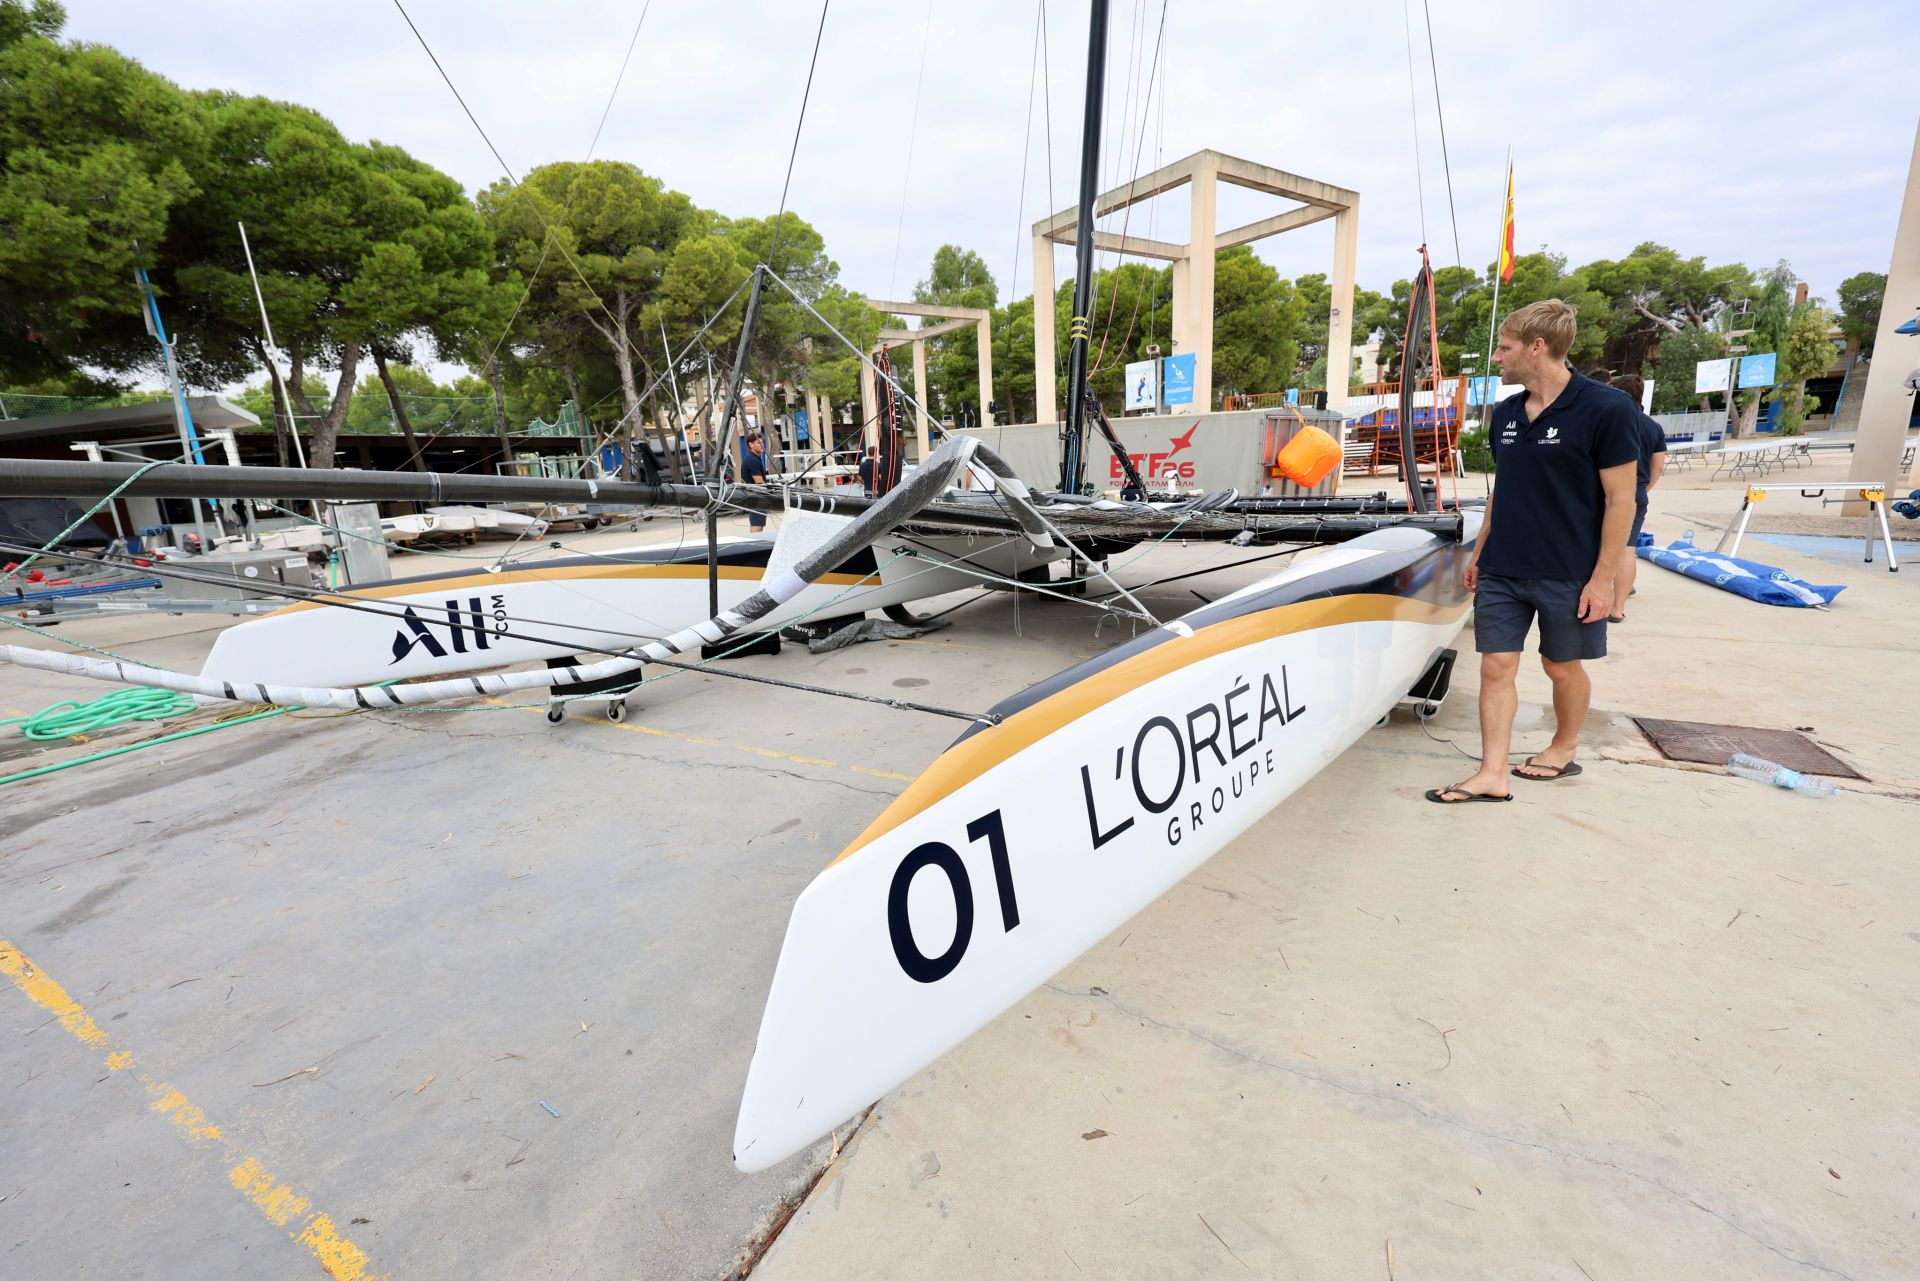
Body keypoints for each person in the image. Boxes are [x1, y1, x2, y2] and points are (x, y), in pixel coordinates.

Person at [1427, 300, 1639, 804]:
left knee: (1560, 666)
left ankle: (1563, 747)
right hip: (1503, 567)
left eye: (1504, 348)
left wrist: (1603, 578)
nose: (1497, 358)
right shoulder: (1505, 413)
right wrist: (1480, 551)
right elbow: (1506, 488)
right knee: (1495, 667)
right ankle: (1491, 774)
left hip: (1569, 570)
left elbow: (1621, 499)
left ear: (1536, 348)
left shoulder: (1606, 408)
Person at [1604, 372, 1665, 621]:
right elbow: (1658, 467)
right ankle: (1617, 608)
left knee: (1600, 548)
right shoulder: (1653, 427)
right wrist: (1642, 490)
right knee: (1627, 549)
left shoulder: (1610, 422)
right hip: (1636, 496)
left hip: (1606, 496)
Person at [740, 432, 769, 532]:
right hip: (756, 497)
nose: (762, 445)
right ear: (751, 445)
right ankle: (753, 545)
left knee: (758, 525)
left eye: (762, 442)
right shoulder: (753, 460)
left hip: (755, 497)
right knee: (757, 526)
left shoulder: (754, 459)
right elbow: (760, 483)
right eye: (758, 443)